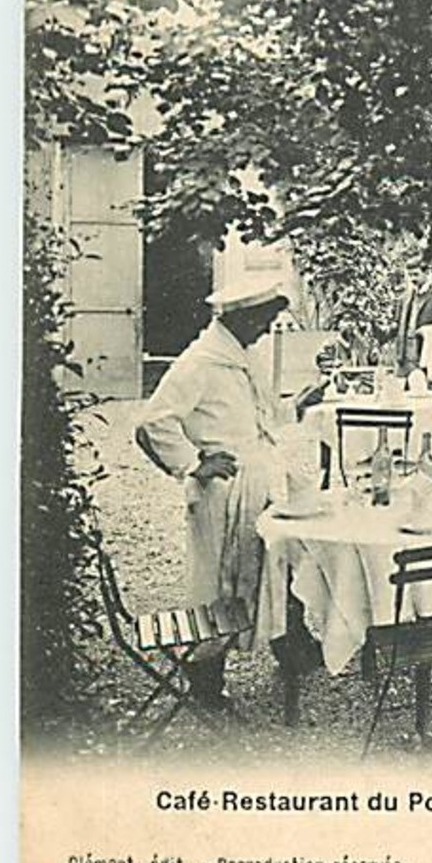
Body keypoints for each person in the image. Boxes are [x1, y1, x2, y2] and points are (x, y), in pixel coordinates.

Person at [133, 282, 313, 708]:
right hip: (220, 495)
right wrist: (195, 464)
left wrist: (297, 407)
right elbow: (152, 423)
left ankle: (291, 649)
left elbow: (254, 422)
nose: (266, 331)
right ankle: (204, 680)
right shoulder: (200, 363)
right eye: (264, 323)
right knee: (214, 584)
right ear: (242, 319)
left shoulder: (239, 358)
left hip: (255, 486)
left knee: (269, 568)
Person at [392, 259, 432, 377]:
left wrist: (429, 330)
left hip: (426, 357)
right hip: (404, 358)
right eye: (410, 275)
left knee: (425, 392)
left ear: (427, 273)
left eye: (416, 274)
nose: (413, 279)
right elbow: (396, 324)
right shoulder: (405, 297)